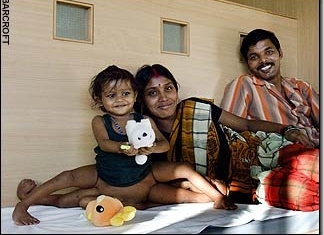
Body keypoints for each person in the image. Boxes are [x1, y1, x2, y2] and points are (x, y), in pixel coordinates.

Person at [12, 65, 237, 226]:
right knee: (67, 184)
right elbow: (105, 143)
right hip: (105, 177)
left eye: (126, 93)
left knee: (185, 172)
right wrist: (124, 148)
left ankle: (217, 197)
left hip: (145, 178)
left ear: (135, 95)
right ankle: (28, 203)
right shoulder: (100, 121)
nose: (120, 99)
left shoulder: (144, 119)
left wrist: (150, 148)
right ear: (100, 101)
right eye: (111, 95)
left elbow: (164, 144)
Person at [134, 63, 318, 210]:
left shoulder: (197, 108)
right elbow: (160, 187)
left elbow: (245, 124)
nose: (163, 97)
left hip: (267, 150)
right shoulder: (145, 140)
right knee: (309, 195)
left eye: (168, 88)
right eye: (152, 93)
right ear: (141, 99)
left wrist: (286, 130)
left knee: (316, 164)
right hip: (248, 187)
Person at [220, 28, 319, 148]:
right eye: (254, 57)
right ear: (247, 64)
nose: (263, 60)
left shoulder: (302, 87)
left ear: (280, 53)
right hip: (284, 156)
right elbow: (228, 133)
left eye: (269, 52)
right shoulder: (244, 84)